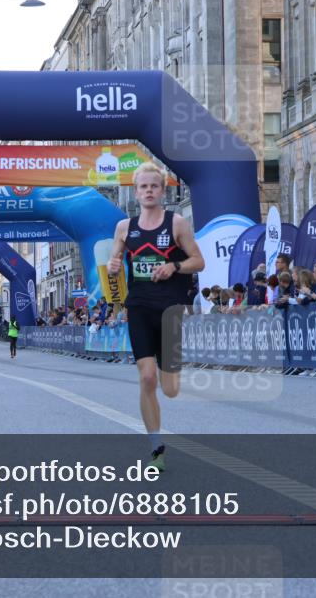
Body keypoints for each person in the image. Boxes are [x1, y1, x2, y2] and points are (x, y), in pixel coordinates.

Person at [106, 162, 205, 472]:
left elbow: (198, 261)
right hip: (139, 307)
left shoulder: (177, 223)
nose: (149, 191)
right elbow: (114, 264)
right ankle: (156, 446)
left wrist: (174, 266)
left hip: (170, 309)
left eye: (154, 186)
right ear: (136, 192)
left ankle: (171, 369)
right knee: (147, 377)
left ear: (162, 191)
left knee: (170, 389)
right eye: (143, 187)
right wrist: (112, 268)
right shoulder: (124, 227)